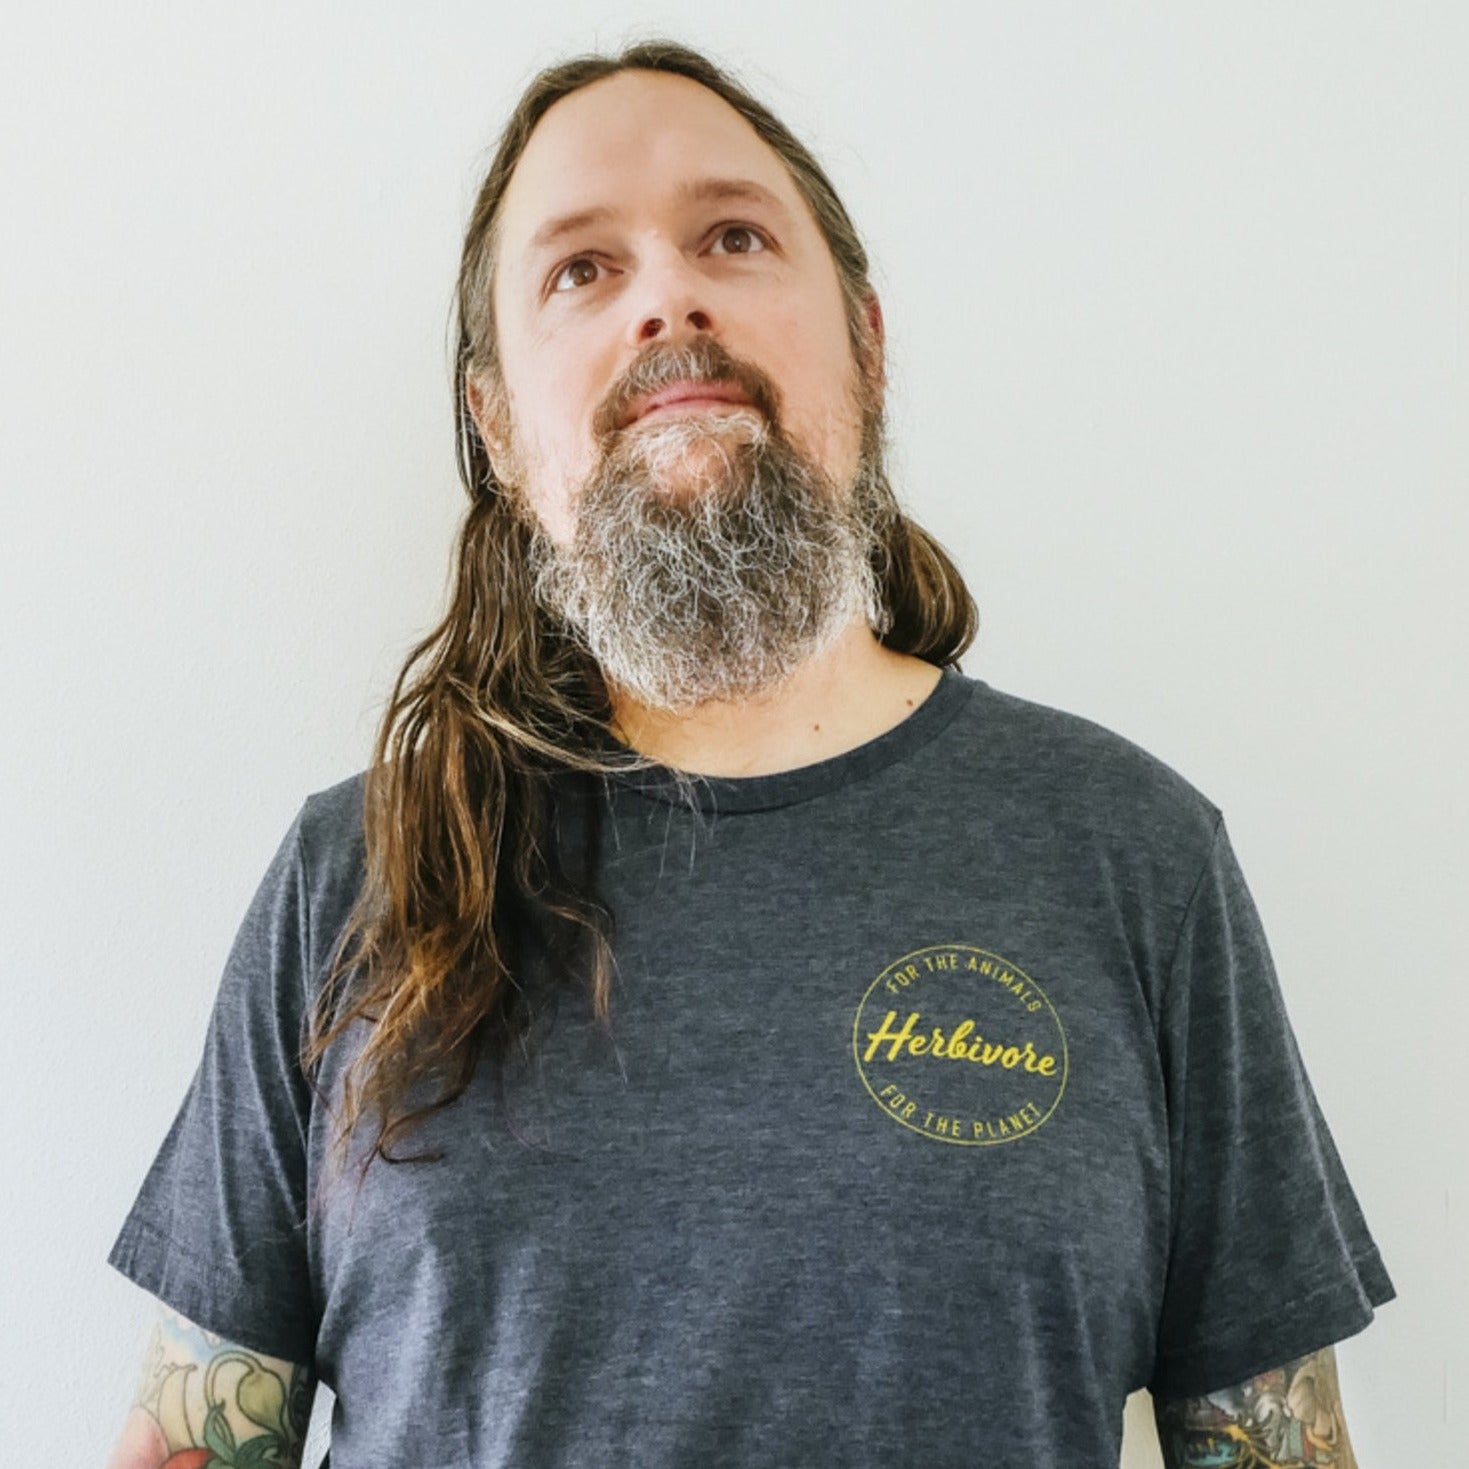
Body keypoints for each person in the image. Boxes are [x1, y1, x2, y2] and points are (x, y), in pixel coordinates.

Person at [105, 37, 1396, 1469]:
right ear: (496, 425)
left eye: (731, 235)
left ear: (866, 346)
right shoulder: (353, 874)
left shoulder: (1133, 856)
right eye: (581, 269)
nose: (667, 297)